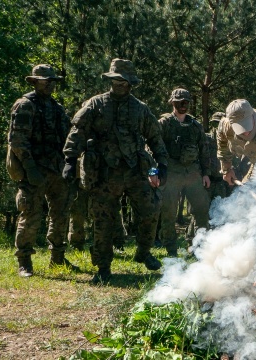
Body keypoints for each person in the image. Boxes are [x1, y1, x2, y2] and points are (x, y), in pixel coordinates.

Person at [62, 58, 169, 283]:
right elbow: (78, 131)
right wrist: (70, 160)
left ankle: (144, 252)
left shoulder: (140, 109)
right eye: (116, 80)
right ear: (110, 80)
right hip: (104, 172)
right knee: (103, 220)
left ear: (131, 84)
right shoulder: (95, 104)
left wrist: (162, 164)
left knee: (151, 209)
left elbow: (155, 137)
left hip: (135, 171)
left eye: (124, 81)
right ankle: (103, 267)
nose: (120, 85)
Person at [7, 64, 78, 277]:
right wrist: (30, 169)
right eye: (45, 81)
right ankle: (24, 262)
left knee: (60, 213)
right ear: (35, 81)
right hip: (34, 169)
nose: (49, 85)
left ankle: (57, 257)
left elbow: (68, 135)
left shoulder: (56, 108)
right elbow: (17, 141)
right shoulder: (25, 105)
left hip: (56, 169)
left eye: (52, 81)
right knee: (30, 214)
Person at [157, 88, 211, 256]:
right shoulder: (164, 123)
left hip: (193, 173)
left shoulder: (195, 125)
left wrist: (206, 173)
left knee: (202, 210)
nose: (183, 105)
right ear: (173, 103)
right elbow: (154, 146)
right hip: (171, 173)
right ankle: (171, 250)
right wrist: (157, 170)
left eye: (186, 102)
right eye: (180, 102)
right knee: (169, 213)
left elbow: (204, 150)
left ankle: (200, 248)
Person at [217, 99, 256, 185]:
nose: (246, 133)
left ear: (253, 116)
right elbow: (223, 145)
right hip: (255, 160)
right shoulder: (225, 125)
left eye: (247, 125)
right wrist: (227, 169)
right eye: (240, 128)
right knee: (245, 192)